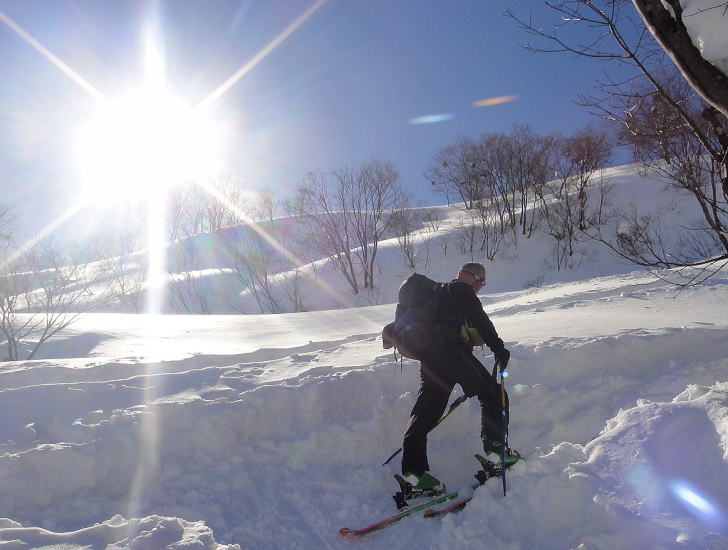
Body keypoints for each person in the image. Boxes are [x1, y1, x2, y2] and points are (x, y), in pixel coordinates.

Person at [400, 262, 520, 491]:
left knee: (425, 413)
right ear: (468, 276)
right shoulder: (459, 289)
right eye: (480, 280)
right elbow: (480, 319)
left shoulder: (437, 297)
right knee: (494, 394)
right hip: (450, 352)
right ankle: (497, 452)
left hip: (430, 359)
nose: (480, 286)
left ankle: (413, 474)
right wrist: (499, 348)